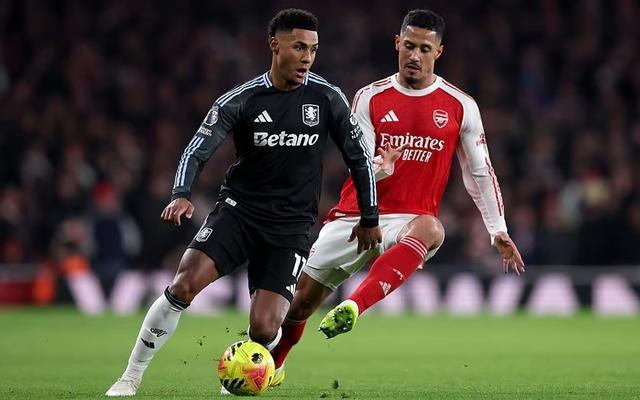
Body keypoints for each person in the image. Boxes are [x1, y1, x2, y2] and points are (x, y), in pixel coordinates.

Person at [106, 8, 382, 397]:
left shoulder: (326, 97)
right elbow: (197, 149)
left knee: (266, 328)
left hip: (290, 228)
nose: (307, 57)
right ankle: (130, 376)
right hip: (239, 213)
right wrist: (181, 194)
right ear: (274, 45)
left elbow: (359, 157)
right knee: (183, 285)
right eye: (298, 47)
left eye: (313, 49)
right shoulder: (243, 99)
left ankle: (244, 374)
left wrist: (370, 216)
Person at [268, 8, 525, 381]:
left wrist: (497, 228)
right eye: (409, 46)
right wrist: (381, 168)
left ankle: (354, 306)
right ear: (397, 44)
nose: (415, 55)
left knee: (432, 228)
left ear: (439, 52)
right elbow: (358, 165)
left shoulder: (460, 105)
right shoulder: (369, 97)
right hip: (358, 214)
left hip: (408, 220)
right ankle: (272, 365)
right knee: (299, 305)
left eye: (424, 49)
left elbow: (480, 171)